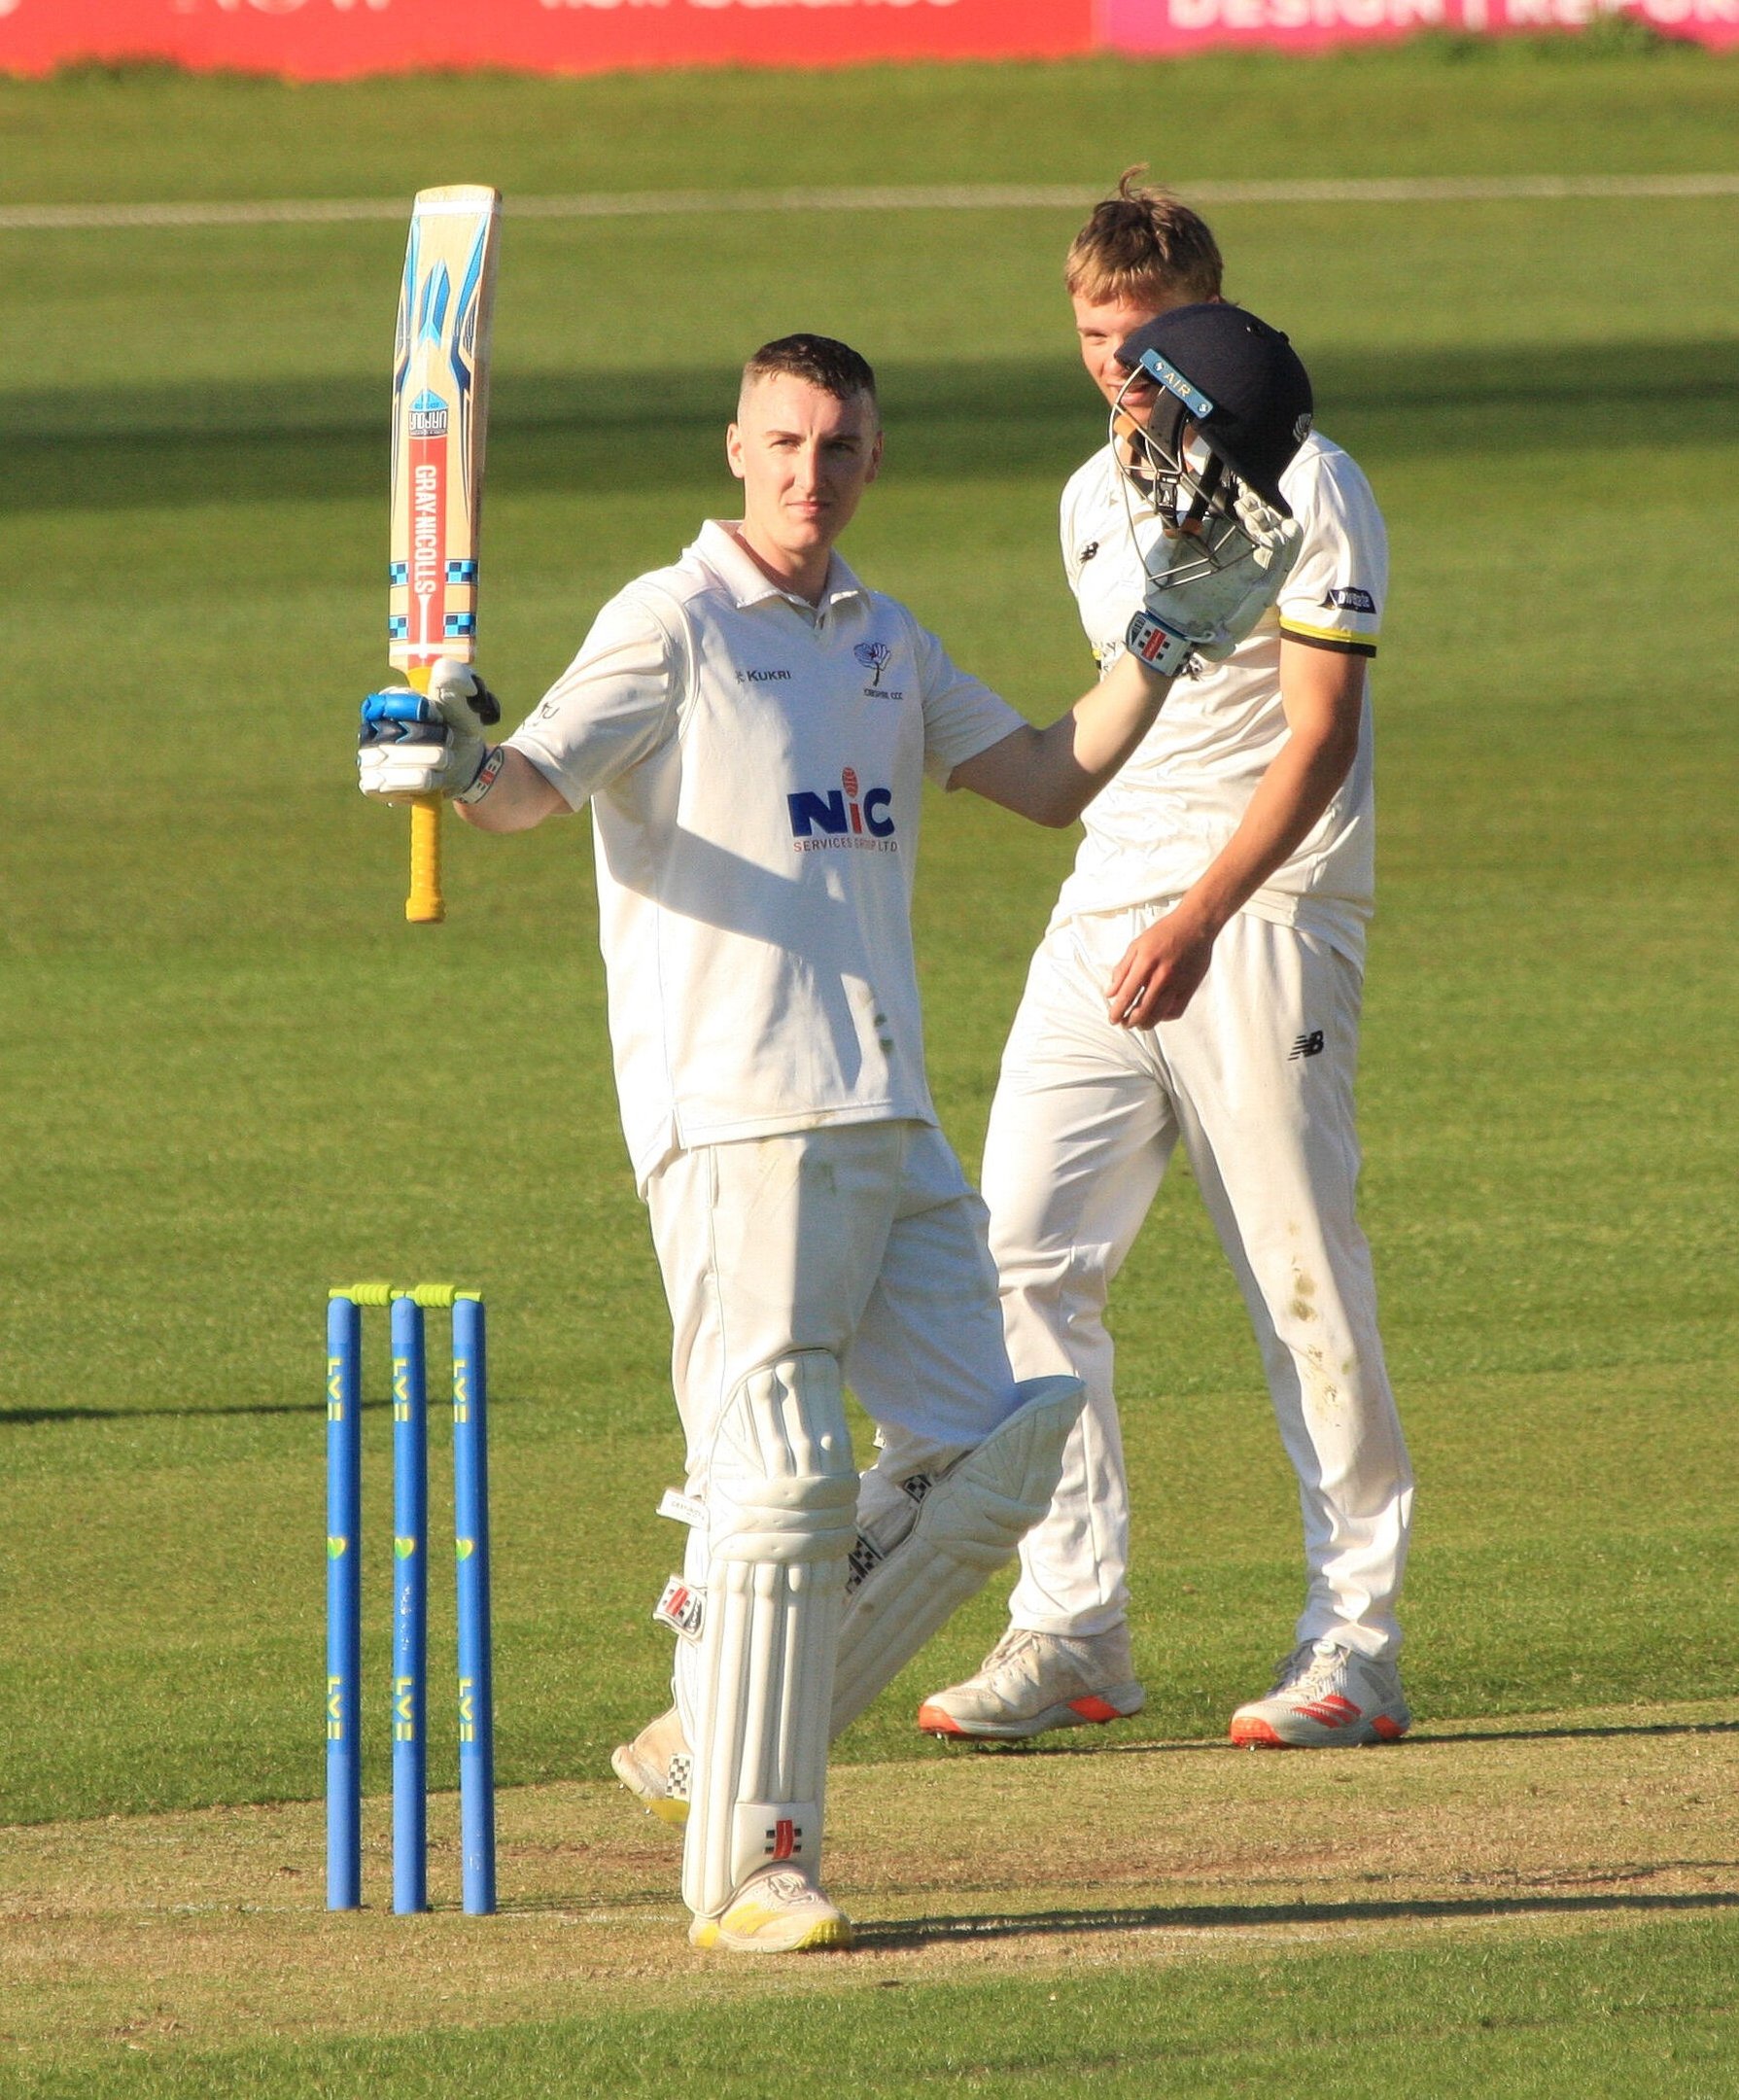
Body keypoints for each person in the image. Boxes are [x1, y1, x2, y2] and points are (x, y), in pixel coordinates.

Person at [358, 332, 1299, 1950]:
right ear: (736, 446)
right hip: (733, 1112)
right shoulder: (669, 623)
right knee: (785, 1487)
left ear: (872, 458)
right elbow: (527, 789)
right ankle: (748, 1870)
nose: (810, 474)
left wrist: (1153, 645)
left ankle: (708, 1732)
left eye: (840, 447)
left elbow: (1046, 778)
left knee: (1003, 1448)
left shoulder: (884, 638)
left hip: (887, 1107)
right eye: (784, 444)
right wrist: (438, 757)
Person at [918, 177, 1416, 1752]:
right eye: (1090, 336)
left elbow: (1318, 739)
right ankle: (1074, 1628)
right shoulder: (1085, 494)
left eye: (1141, 338)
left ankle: (1357, 1641)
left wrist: (1201, 915)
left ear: (1202, 322)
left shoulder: (1313, 482)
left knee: (1296, 1278)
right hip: (1102, 905)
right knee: (1018, 1264)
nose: (1116, 367)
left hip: (1261, 916)